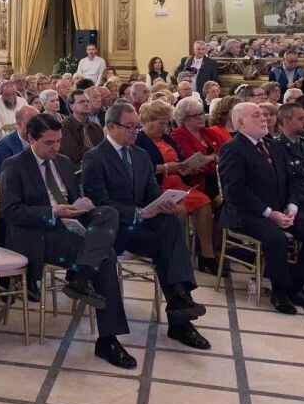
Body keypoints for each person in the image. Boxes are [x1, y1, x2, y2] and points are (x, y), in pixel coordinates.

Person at [1, 113, 134, 367]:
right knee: (106, 257)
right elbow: (11, 212)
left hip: (71, 223)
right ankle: (108, 339)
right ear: (31, 138)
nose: (56, 147)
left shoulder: (62, 162)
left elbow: (72, 197)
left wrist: (81, 205)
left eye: (59, 141)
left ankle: (81, 276)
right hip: (41, 233)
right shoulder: (14, 165)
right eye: (49, 143)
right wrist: (53, 212)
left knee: (108, 213)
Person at [83, 102, 210, 350]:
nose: (135, 132)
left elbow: (152, 191)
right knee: (167, 241)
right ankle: (180, 309)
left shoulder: (140, 155)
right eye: (130, 127)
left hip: (139, 227)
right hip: (113, 231)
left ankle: (179, 307)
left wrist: (164, 203)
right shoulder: (95, 157)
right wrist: (137, 213)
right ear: (111, 126)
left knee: (169, 226)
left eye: (137, 127)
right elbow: (98, 204)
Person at [217, 103, 304, 314]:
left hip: (281, 209)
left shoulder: (273, 146)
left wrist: (291, 206)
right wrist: (269, 213)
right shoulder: (232, 149)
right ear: (241, 123)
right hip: (247, 213)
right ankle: (280, 293)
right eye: (256, 116)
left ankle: (299, 285)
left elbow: (292, 182)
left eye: (264, 116)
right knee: (277, 238)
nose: (264, 119)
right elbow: (235, 192)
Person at [136, 99, 220, 274]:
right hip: (156, 187)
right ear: (147, 121)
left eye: (167, 123)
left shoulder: (166, 138)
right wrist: (167, 168)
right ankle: (175, 255)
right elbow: (143, 168)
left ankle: (207, 254)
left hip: (177, 183)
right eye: (161, 124)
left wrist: (186, 165)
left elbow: (180, 157)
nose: (165, 128)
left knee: (204, 202)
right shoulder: (139, 140)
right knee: (178, 210)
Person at [60, 89, 104, 166]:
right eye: (81, 102)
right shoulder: (64, 126)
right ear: (71, 106)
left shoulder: (97, 127)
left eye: (87, 101)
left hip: (98, 166)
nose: (86, 104)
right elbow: (74, 153)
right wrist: (97, 153)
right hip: (75, 169)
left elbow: (103, 149)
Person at [0, 105, 38, 178]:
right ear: (19, 123)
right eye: (32, 122)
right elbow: (5, 177)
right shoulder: (4, 146)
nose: (37, 126)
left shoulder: (42, 141)